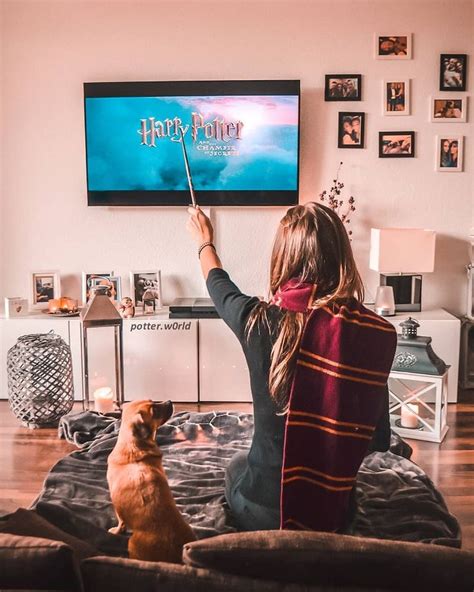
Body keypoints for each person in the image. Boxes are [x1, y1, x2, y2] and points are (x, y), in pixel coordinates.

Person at [186, 203, 396, 532]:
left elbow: (218, 285)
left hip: (263, 513)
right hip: (336, 514)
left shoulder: (257, 320)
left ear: (283, 255)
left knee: (236, 466)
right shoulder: (376, 333)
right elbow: (378, 440)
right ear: (342, 256)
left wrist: (204, 241)